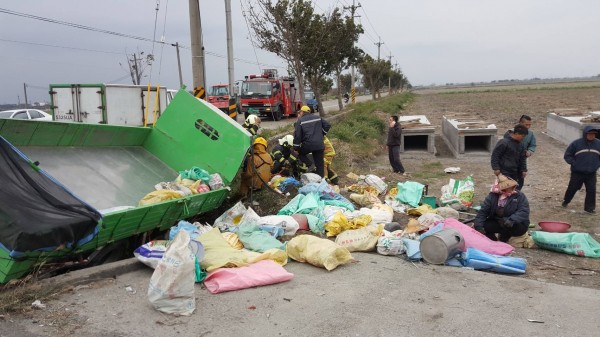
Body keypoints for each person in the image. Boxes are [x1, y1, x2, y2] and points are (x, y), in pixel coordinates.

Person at [473, 175, 530, 242]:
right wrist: (478, 226)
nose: (510, 188)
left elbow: (524, 211)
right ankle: (492, 240)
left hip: (517, 224)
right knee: (485, 225)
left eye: (511, 186)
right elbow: (483, 212)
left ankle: (503, 239)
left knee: (507, 225)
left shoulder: (519, 196)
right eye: (507, 187)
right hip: (499, 222)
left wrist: (511, 220)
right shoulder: (492, 196)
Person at [561, 126, 600, 214]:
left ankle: (589, 208)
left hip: (591, 173)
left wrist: (596, 165)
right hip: (577, 172)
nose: (591, 136)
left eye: (593, 134)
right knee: (573, 188)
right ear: (585, 134)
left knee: (591, 190)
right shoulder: (576, 143)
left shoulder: (598, 144)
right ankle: (566, 201)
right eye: (590, 134)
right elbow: (567, 155)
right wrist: (575, 164)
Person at [293, 105, 331, 178]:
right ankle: (320, 181)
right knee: (320, 164)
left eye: (300, 112)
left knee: (300, 154)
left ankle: (310, 164)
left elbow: (298, 135)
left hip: (308, 145)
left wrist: (296, 147)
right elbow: (327, 125)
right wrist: (322, 134)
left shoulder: (300, 121)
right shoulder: (318, 118)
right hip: (319, 145)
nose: (300, 113)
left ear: (302, 112)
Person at [504, 115, 537, 188]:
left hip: (522, 161)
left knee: (520, 182)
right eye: (526, 125)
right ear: (520, 123)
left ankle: (516, 197)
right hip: (509, 162)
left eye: (530, 125)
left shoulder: (530, 134)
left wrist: (530, 151)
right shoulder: (510, 133)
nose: (528, 127)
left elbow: (533, 145)